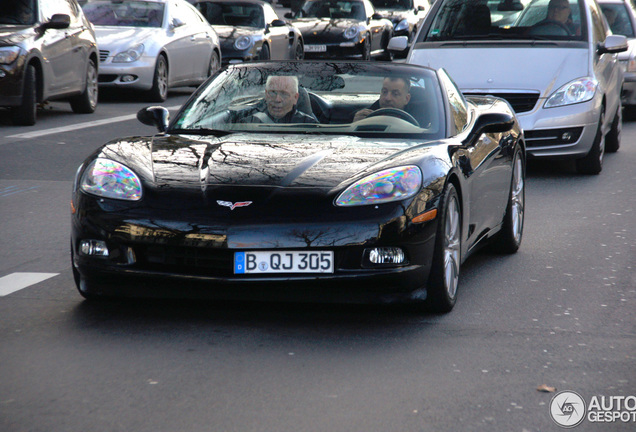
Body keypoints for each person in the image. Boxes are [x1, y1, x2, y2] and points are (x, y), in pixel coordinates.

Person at [243, 76, 318, 124]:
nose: (277, 99)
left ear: (295, 98)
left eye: (284, 94)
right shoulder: (250, 123)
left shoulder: (309, 126)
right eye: (272, 93)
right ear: (266, 94)